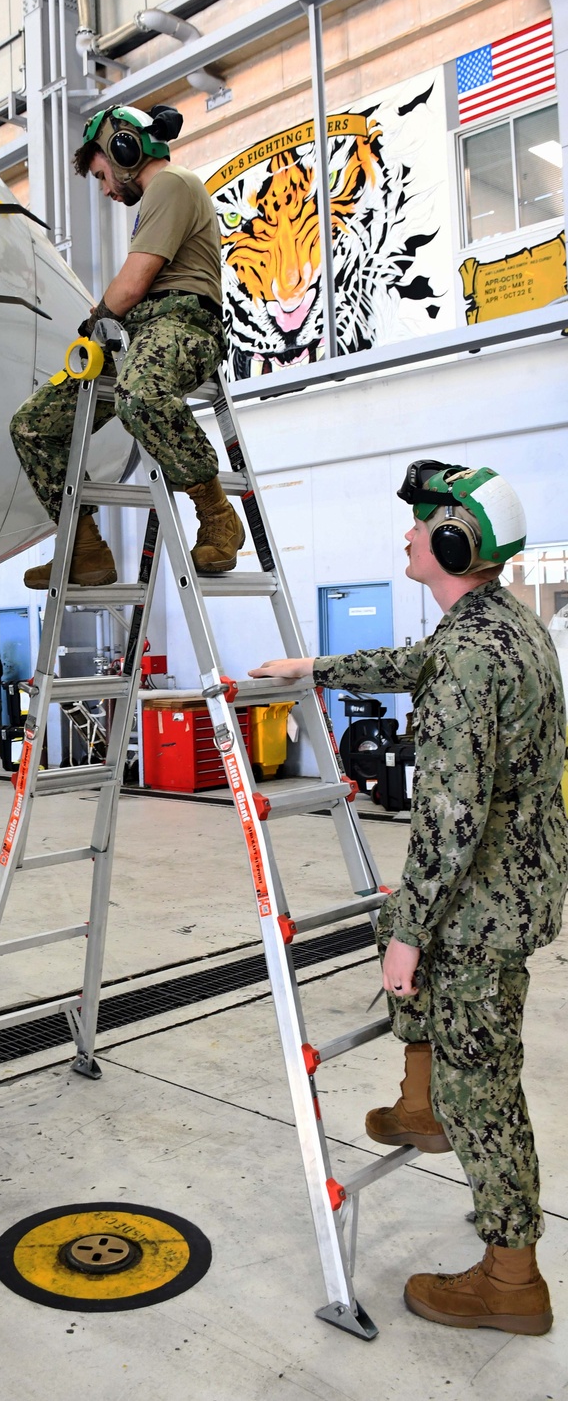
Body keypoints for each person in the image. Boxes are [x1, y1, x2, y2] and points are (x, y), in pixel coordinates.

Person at [249, 461, 568, 1334]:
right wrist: (315, 664)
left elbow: (452, 822)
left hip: (481, 902)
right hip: (520, 884)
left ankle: (511, 1281)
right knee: (411, 943)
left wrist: (412, 937)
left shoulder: (469, 655)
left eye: (422, 524)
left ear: (455, 541)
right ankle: (419, 1105)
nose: (407, 534)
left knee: (486, 1087)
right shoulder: (503, 625)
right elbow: (411, 662)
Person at [10, 104, 244, 589]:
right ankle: (85, 548)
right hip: (137, 337)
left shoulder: (173, 184)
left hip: (185, 325)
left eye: (102, 176)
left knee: (139, 394)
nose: (105, 189)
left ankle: (217, 514)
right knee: (32, 425)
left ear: (124, 151)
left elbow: (133, 284)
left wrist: (94, 321)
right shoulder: (156, 200)